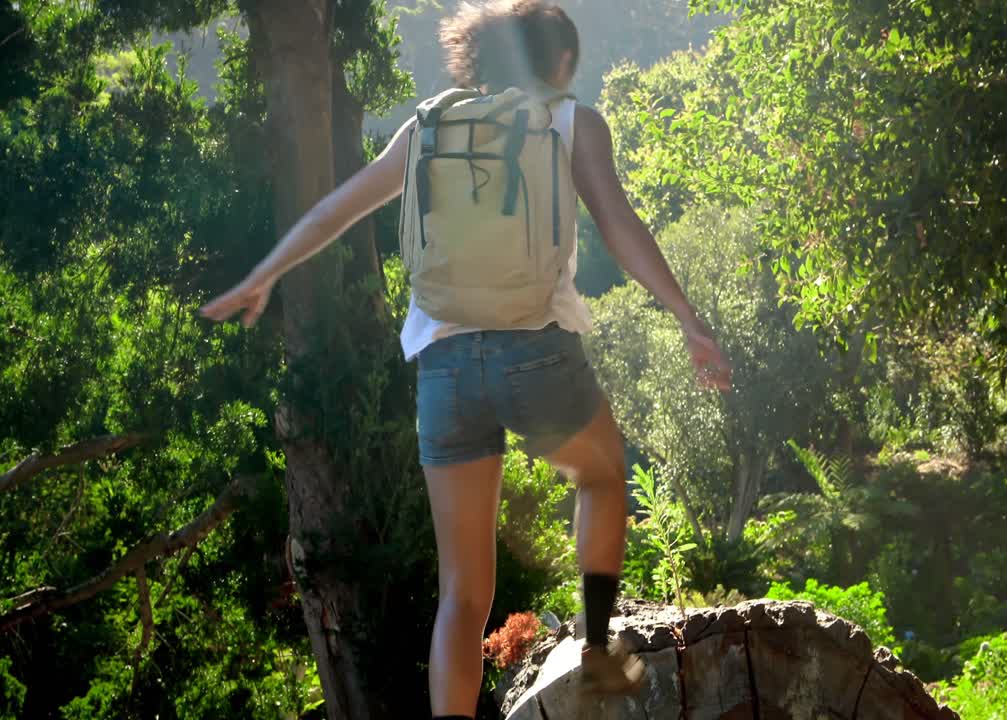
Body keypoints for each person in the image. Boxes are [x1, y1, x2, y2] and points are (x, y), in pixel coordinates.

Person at [200, 1, 731, 717]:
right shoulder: (571, 122)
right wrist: (690, 321)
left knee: (463, 594)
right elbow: (621, 226)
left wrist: (264, 272)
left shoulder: (427, 126)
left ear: (473, 59)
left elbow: (336, 210)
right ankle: (600, 649)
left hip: (444, 372)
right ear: (561, 63)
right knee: (602, 475)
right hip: (536, 356)